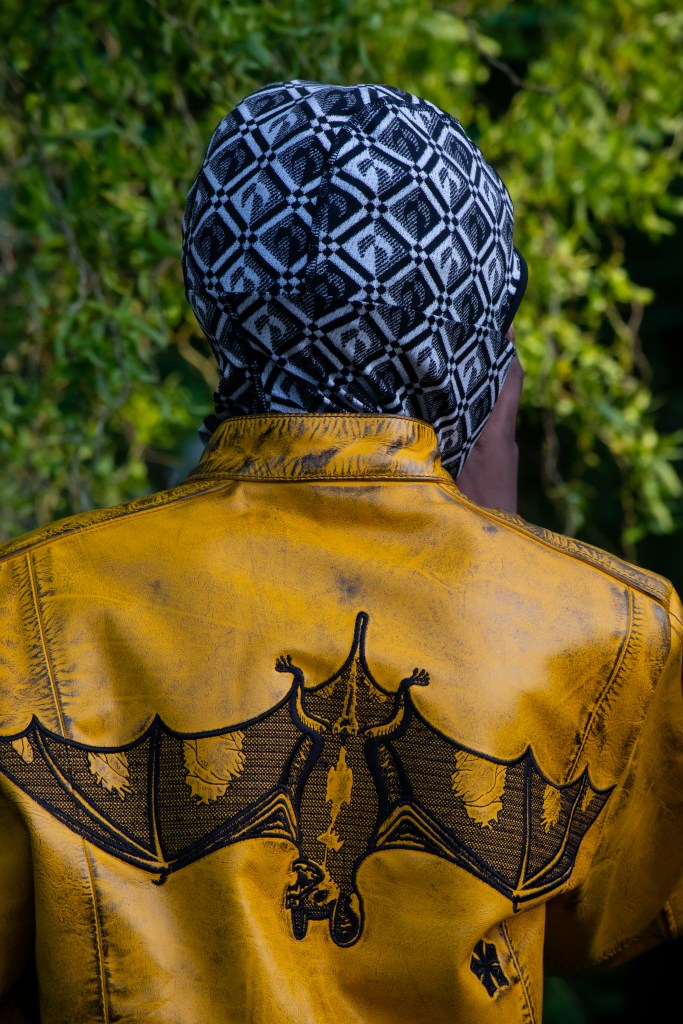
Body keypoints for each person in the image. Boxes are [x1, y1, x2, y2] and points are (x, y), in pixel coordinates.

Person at [0, 80, 681, 1024]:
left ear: (219, 296)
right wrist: (494, 558)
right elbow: (591, 924)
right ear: (468, 330)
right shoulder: (611, 627)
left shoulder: (31, 604)